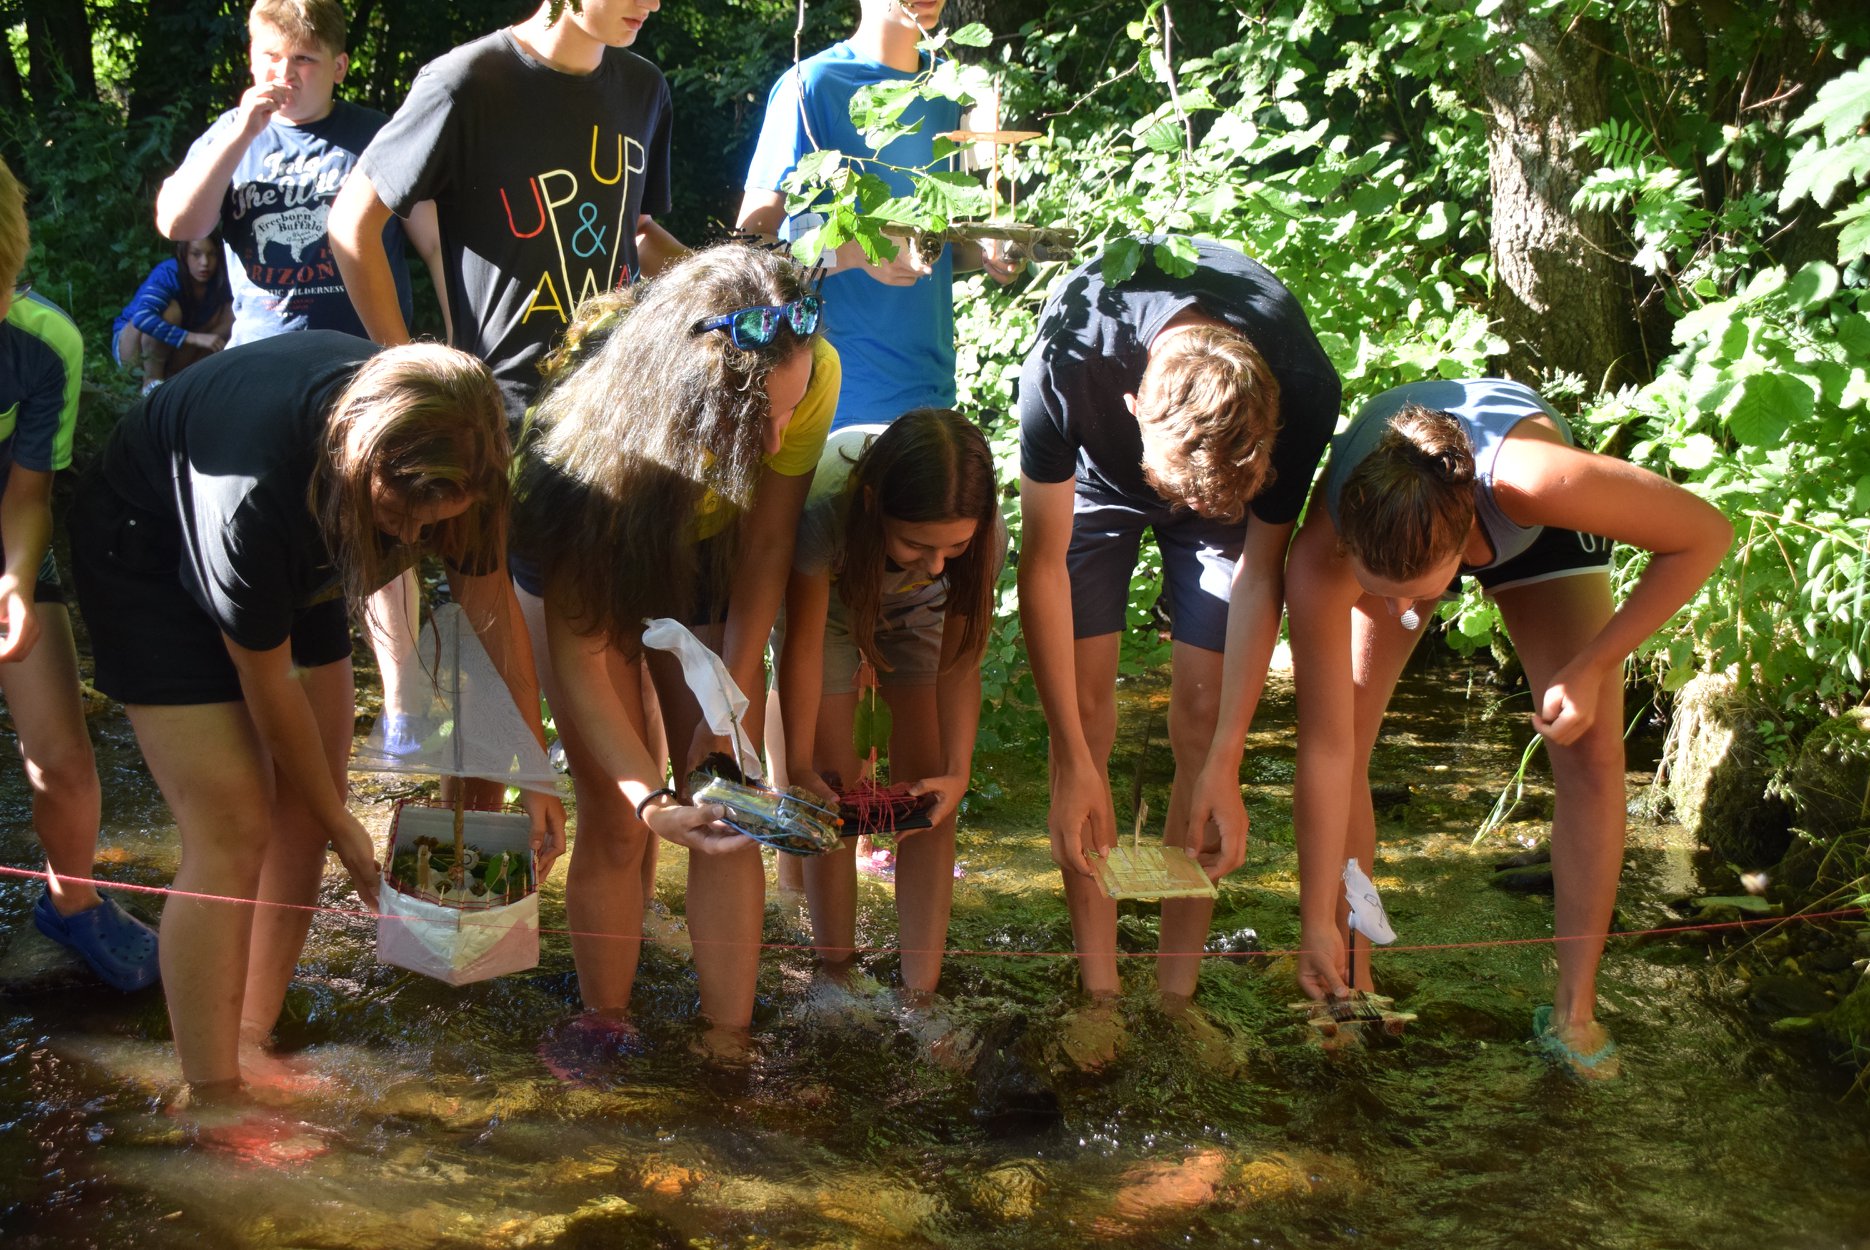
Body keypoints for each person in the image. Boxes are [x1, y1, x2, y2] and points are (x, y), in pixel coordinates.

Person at [67, 332, 565, 1104]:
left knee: (304, 807)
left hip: (313, 540)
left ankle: (249, 1037)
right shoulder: (254, 489)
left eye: (434, 525)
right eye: (400, 516)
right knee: (233, 825)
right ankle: (212, 1098)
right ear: (363, 462)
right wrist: (344, 825)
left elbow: (490, 611)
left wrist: (533, 770)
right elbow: (266, 681)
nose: (412, 540)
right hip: (147, 551)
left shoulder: (467, 455)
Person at [1286, 377, 1731, 1079]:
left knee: (1590, 754)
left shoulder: (1539, 480)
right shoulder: (1325, 546)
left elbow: (1705, 535)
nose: (1404, 613)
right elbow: (1326, 749)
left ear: (1463, 542)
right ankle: (1350, 984)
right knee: (1352, 738)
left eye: (1418, 592)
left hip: (1525, 520)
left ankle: (1574, 1011)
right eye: (1381, 591)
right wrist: (1313, 917)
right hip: (1401, 514)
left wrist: (1590, 666)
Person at [511, 244, 835, 1062]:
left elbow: (767, 548)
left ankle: (728, 1042)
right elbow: (584, 659)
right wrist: (650, 800)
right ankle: (603, 1025)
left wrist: (724, 708)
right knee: (617, 812)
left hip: (711, 548)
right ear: (692, 404)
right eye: (761, 421)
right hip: (597, 537)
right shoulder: (582, 449)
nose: (782, 438)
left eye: (792, 410)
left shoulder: (807, 369)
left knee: (727, 795)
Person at [1017, 236, 1340, 1019]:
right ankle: (1100, 992)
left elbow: (1259, 573)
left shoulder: (1300, 389)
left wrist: (1228, 756)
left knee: (1202, 719)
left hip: (1229, 490)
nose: (1182, 510)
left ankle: (1175, 999)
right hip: (1099, 481)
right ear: (1134, 405)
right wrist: (1071, 755)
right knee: (1086, 718)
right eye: (1181, 495)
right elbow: (1043, 564)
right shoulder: (1070, 359)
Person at [329, 0, 683, 424]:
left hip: (617, 405)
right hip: (499, 418)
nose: (652, 4)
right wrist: (409, 379)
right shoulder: (464, 83)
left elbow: (636, 230)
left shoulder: (645, 88)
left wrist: (729, 284)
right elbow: (351, 223)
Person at [0, 157, 160, 993]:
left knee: (62, 760)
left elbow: (28, 497)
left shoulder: (43, 342)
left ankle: (71, 902)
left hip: (6, 545)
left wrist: (16, 581)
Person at [776, 409, 1001, 997]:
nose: (937, 563)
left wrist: (958, 771)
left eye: (955, 547)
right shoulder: (825, 511)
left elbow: (959, 665)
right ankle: (835, 974)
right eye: (917, 543)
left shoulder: (976, 540)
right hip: (830, 602)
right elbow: (803, 647)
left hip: (920, 610)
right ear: (874, 503)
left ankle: (919, 992)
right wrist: (798, 765)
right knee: (833, 782)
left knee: (928, 791)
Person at [737, 0, 1018, 433]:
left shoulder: (948, 89)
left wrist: (986, 250)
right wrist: (854, 253)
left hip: (934, 402)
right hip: (831, 406)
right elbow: (747, 249)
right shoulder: (811, 85)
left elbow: (935, 251)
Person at [154, 0, 444, 347]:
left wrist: (463, 334)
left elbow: (435, 244)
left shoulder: (378, 135)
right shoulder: (229, 133)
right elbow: (178, 225)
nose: (284, 73)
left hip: (363, 355)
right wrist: (244, 133)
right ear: (252, 58)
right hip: (261, 353)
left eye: (303, 58)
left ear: (339, 67)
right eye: (271, 56)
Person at [111, 237, 235, 393]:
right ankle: (152, 382)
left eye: (212, 254)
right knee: (170, 312)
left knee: (232, 311)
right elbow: (143, 318)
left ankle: (181, 378)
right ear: (183, 254)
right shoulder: (169, 272)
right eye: (196, 254)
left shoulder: (222, 277)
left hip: (176, 351)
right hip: (133, 349)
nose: (205, 262)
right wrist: (195, 337)